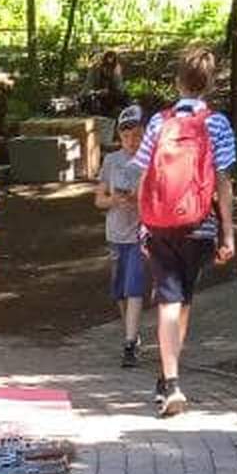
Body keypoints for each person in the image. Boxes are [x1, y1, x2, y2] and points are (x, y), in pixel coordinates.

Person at [134, 46, 237, 418]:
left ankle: (170, 380)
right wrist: (227, 232)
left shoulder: (159, 123)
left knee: (167, 300)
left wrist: (142, 224)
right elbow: (223, 180)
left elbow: (143, 174)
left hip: (159, 224)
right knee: (185, 300)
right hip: (199, 226)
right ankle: (169, 377)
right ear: (210, 83)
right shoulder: (217, 124)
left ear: (177, 81)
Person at [95, 103, 149, 367]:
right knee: (119, 291)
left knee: (134, 287)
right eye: (126, 136)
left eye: (137, 135)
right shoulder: (111, 161)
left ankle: (129, 343)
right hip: (115, 233)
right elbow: (99, 199)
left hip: (139, 234)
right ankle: (133, 332)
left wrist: (140, 199)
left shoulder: (149, 161)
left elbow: (156, 197)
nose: (131, 141)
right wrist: (113, 200)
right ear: (119, 136)